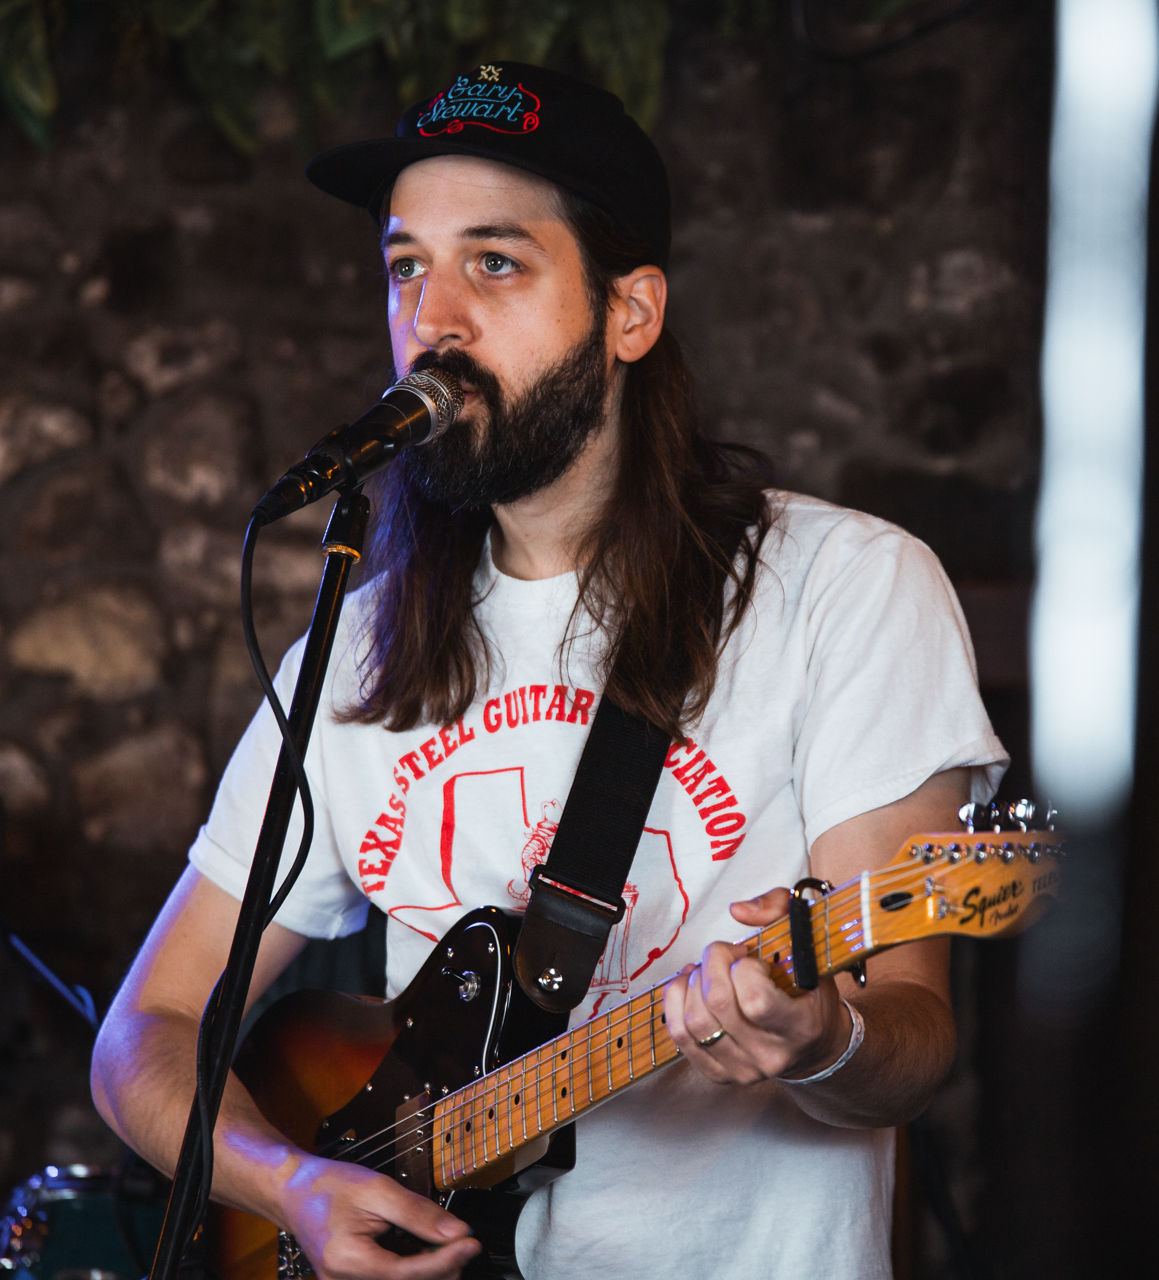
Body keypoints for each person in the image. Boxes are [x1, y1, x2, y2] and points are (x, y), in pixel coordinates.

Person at [91, 63, 1007, 1280]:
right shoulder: (354, 649)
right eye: (408, 265)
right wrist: (294, 1184)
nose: (435, 317)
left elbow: (916, 1036)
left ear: (631, 313)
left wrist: (819, 1036)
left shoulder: (842, 588)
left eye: (497, 262)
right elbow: (143, 1034)